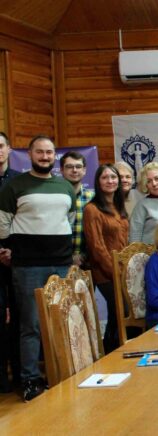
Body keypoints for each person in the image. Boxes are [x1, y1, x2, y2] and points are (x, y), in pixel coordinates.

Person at [0, 135, 75, 401]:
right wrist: (9, 247)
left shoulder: (65, 186)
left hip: (61, 264)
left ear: (55, 156)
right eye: (40, 152)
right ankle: (30, 379)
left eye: (49, 152)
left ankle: (61, 372)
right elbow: (3, 223)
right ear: (30, 154)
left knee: (61, 321)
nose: (45, 156)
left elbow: (68, 219)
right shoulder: (15, 185)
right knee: (30, 325)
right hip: (28, 266)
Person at [83, 164, 128, 353]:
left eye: (113, 177)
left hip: (123, 271)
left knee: (117, 314)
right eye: (105, 177)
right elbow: (97, 247)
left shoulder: (118, 207)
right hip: (105, 272)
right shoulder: (92, 209)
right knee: (121, 311)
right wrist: (115, 271)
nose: (110, 181)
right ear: (98, 182)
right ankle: (111, 351)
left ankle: (113, 351)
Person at [0, 132, 19, 393]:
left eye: (1, 146)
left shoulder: (20, 181)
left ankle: (20, 372)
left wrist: (13, 251)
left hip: (18, 258)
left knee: (20, 318)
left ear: (9, 149)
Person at [60, 151, 94, 267]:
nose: (74, 170)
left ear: (84, 170)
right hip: (59, 261)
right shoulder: (55, 197)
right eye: (69, 167)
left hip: (86, 262)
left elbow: (97, 233)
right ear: (61, 170)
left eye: (78, 167)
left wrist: (83, 256)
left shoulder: (93, 198)